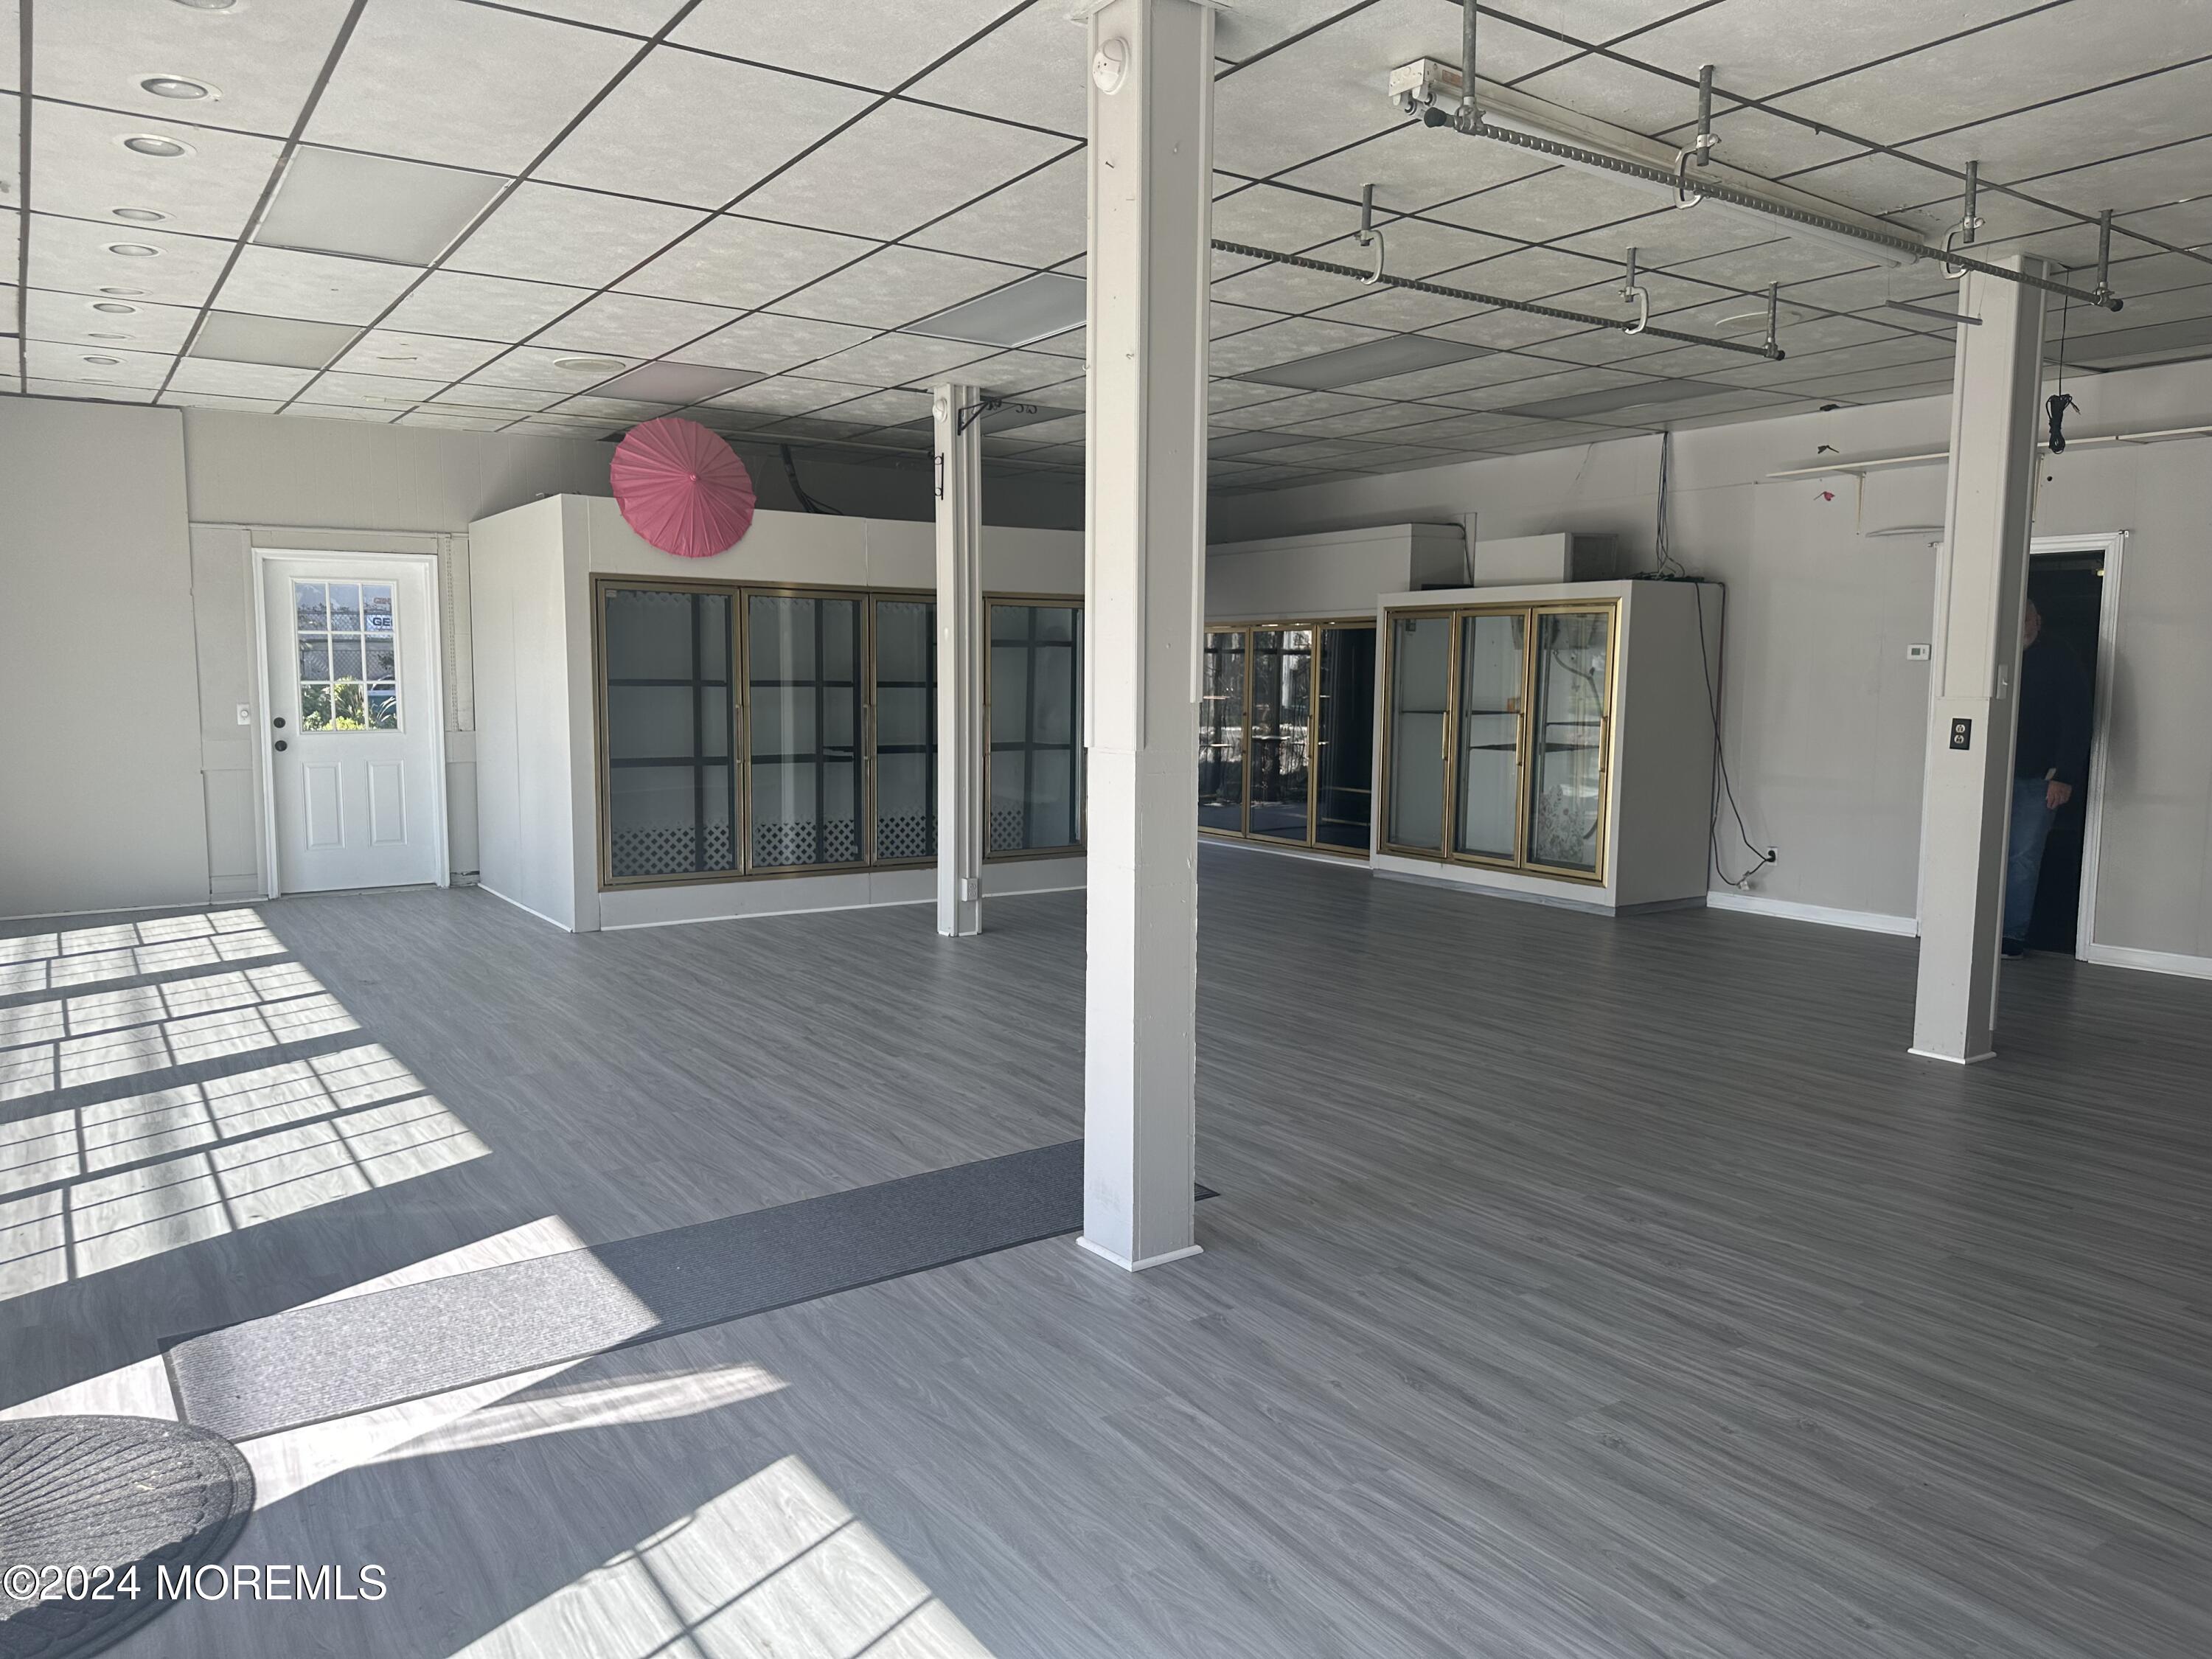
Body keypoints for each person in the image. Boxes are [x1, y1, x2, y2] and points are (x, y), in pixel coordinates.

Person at [2004, 597, 2093, 957]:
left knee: (2023, 857)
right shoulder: (1992, 653)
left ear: (2037, 620)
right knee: (1979, 851)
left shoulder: (2060, 656)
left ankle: (2011, 935)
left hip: (2040, 778)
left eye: (2026, 619)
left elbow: (2077, 720)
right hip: (1988, 775)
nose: (2021, 626)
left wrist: (2064, 776)